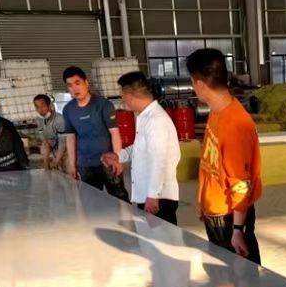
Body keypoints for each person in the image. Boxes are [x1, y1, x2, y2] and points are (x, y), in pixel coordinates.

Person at [187, 48, 262, 264]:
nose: (193, 88)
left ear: (200, 84)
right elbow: (210, 162)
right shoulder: (217, 111)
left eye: (192, 83)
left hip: (230, 216)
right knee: (222, 272)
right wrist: (203, 200)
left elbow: (241, 184)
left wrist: (238, 229)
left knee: (240, 275)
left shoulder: (235, 125)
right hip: (216, 210)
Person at [100, 72, 181, 225]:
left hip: (159, 197)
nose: (122, 99)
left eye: (122, 95)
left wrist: (153, 195)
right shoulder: (144, 116)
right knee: (149, 237)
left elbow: (158, 160)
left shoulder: (156, 120)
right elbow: (140, 147)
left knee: (161, 237)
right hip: (149, 194)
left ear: (130, 95)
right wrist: (119, 156)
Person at [61, 65, 128, 201]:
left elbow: (115, 133)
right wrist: (72, 164)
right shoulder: (68, 109)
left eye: (77, 83)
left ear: (86, 82)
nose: (74, 88)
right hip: (85, 165)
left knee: (120, 200)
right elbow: (70, 137)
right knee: (90, 202)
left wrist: (118, 159)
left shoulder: (103, 105)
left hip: (107, 163)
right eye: (70, 85)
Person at [33, 93, 66, 170]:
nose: (40, 110)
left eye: (43, 106)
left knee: (67, 168)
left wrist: (56, 160)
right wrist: (46, 162)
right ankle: (46, 167)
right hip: (53, 146)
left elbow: (63, 143)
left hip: (66, 147)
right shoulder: (39, 120)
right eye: (37, 107)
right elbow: (43, 137)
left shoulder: (59, 119)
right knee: (44, 146)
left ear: (49, 105)